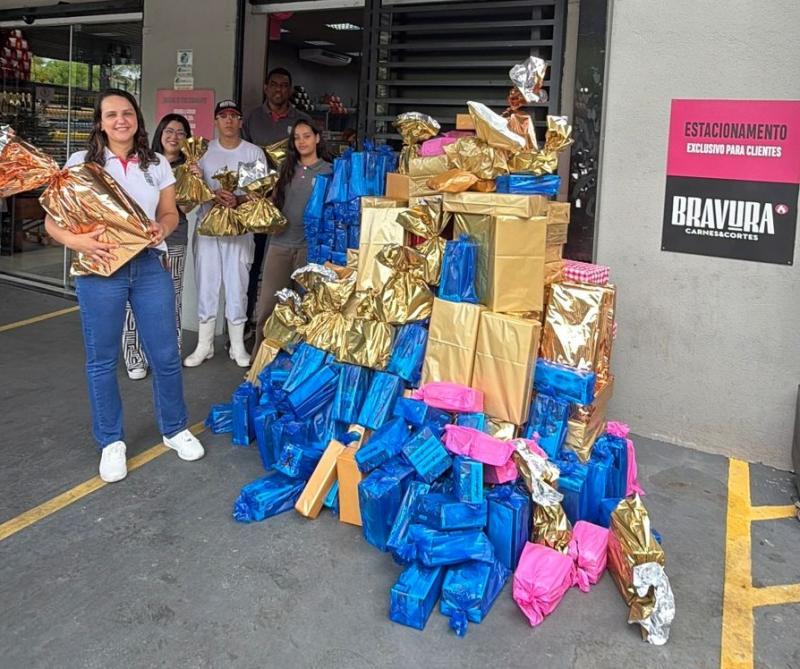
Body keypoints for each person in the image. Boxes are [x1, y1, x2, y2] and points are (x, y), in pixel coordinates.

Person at [43, 88, 205, 483]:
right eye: (112, 114)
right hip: (100, 270)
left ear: (137, 119)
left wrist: (162, 228)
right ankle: (111, 441)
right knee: (102, 360)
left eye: (127, 113)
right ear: (100, 122)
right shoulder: (80, 163)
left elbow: (170, 212)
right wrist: (78, 242)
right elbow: (52, 221)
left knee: (165, 354)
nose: (121, 120)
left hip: (149, 266)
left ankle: (174, 428)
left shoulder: (156, 164)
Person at [183, 99, 267, 368]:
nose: (228, 120)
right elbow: (192, 191)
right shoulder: (203, 152)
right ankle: (204, 345)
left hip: (239, 230)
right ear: (215, 121)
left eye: (233, 115)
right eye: (223, 116)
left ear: (240, 121)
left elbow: (258, 193)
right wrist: (210, 192)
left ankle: (237, 346)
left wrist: (237, 199)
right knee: (206, 284)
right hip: (207, 229)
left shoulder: (252, 152)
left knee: (237, 284)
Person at [252, 118, 332, 355]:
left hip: (309, 249)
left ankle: (297, 361)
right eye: (297, 138)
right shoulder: (285, 170)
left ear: (317, 138)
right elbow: (273, 202)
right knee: (268, 306)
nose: (302, 142)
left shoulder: (329, 171)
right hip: (279, 245)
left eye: (307, 136)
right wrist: (260, 203)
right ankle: (259, 359)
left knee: (305, 307)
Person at [242, 67, 311, 336]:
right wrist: (254, 193)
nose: (279, 89)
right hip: (260, 204)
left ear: (290, 90)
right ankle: (248, 324)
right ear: (266, 87)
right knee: (254, 264)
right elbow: (246, 157)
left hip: (291, 204)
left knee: (291, 270)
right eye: (274, 84)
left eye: (284, 85)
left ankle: (292, 329)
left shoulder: (301, 120)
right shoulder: (252, 119)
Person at [123, 113, 191, 380]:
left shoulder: (190, 166)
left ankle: (170, 354)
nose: (174, 137)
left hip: (174, 239)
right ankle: (134, 356)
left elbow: (186, 208)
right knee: (132, 299)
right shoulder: (143, 161)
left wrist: (194, 182)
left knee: (172, 297)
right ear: (160, 133)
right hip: (139, 240)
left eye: (181, 133)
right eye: (169, 131)